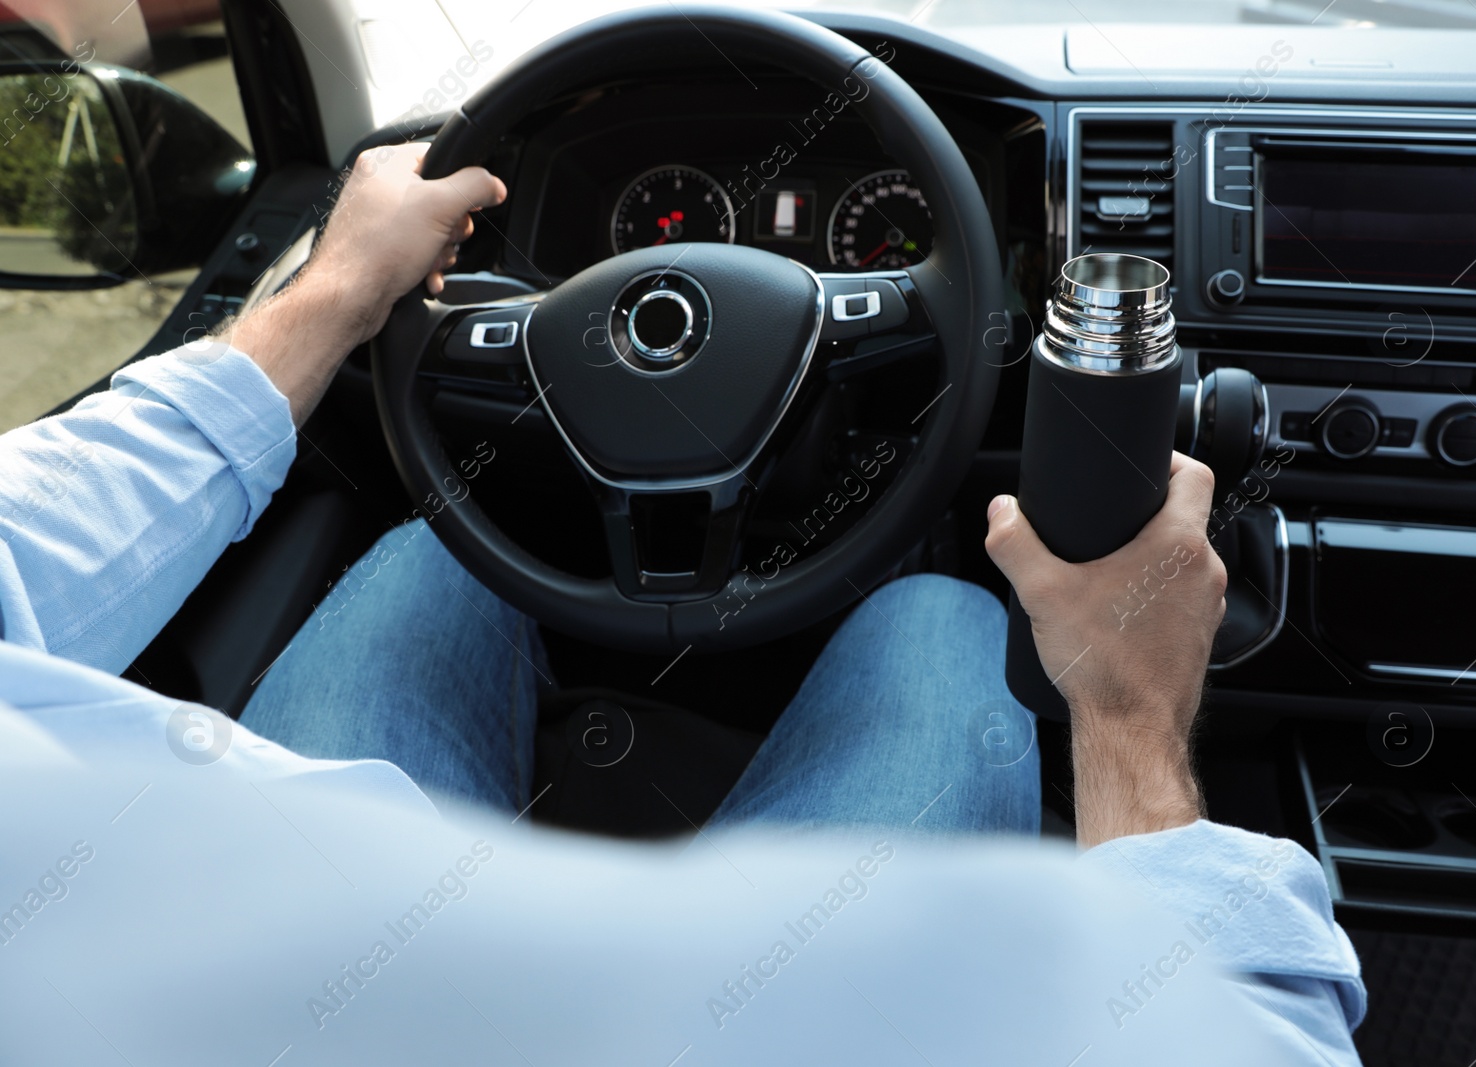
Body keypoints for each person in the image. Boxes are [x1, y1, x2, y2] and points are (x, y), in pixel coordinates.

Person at [0, 145, 1364, 1063]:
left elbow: (37, 537)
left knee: (444, 549)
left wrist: (344, 290)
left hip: (293, 923)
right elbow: (1231, 1031)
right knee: (941, 625)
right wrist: (1126, 705)